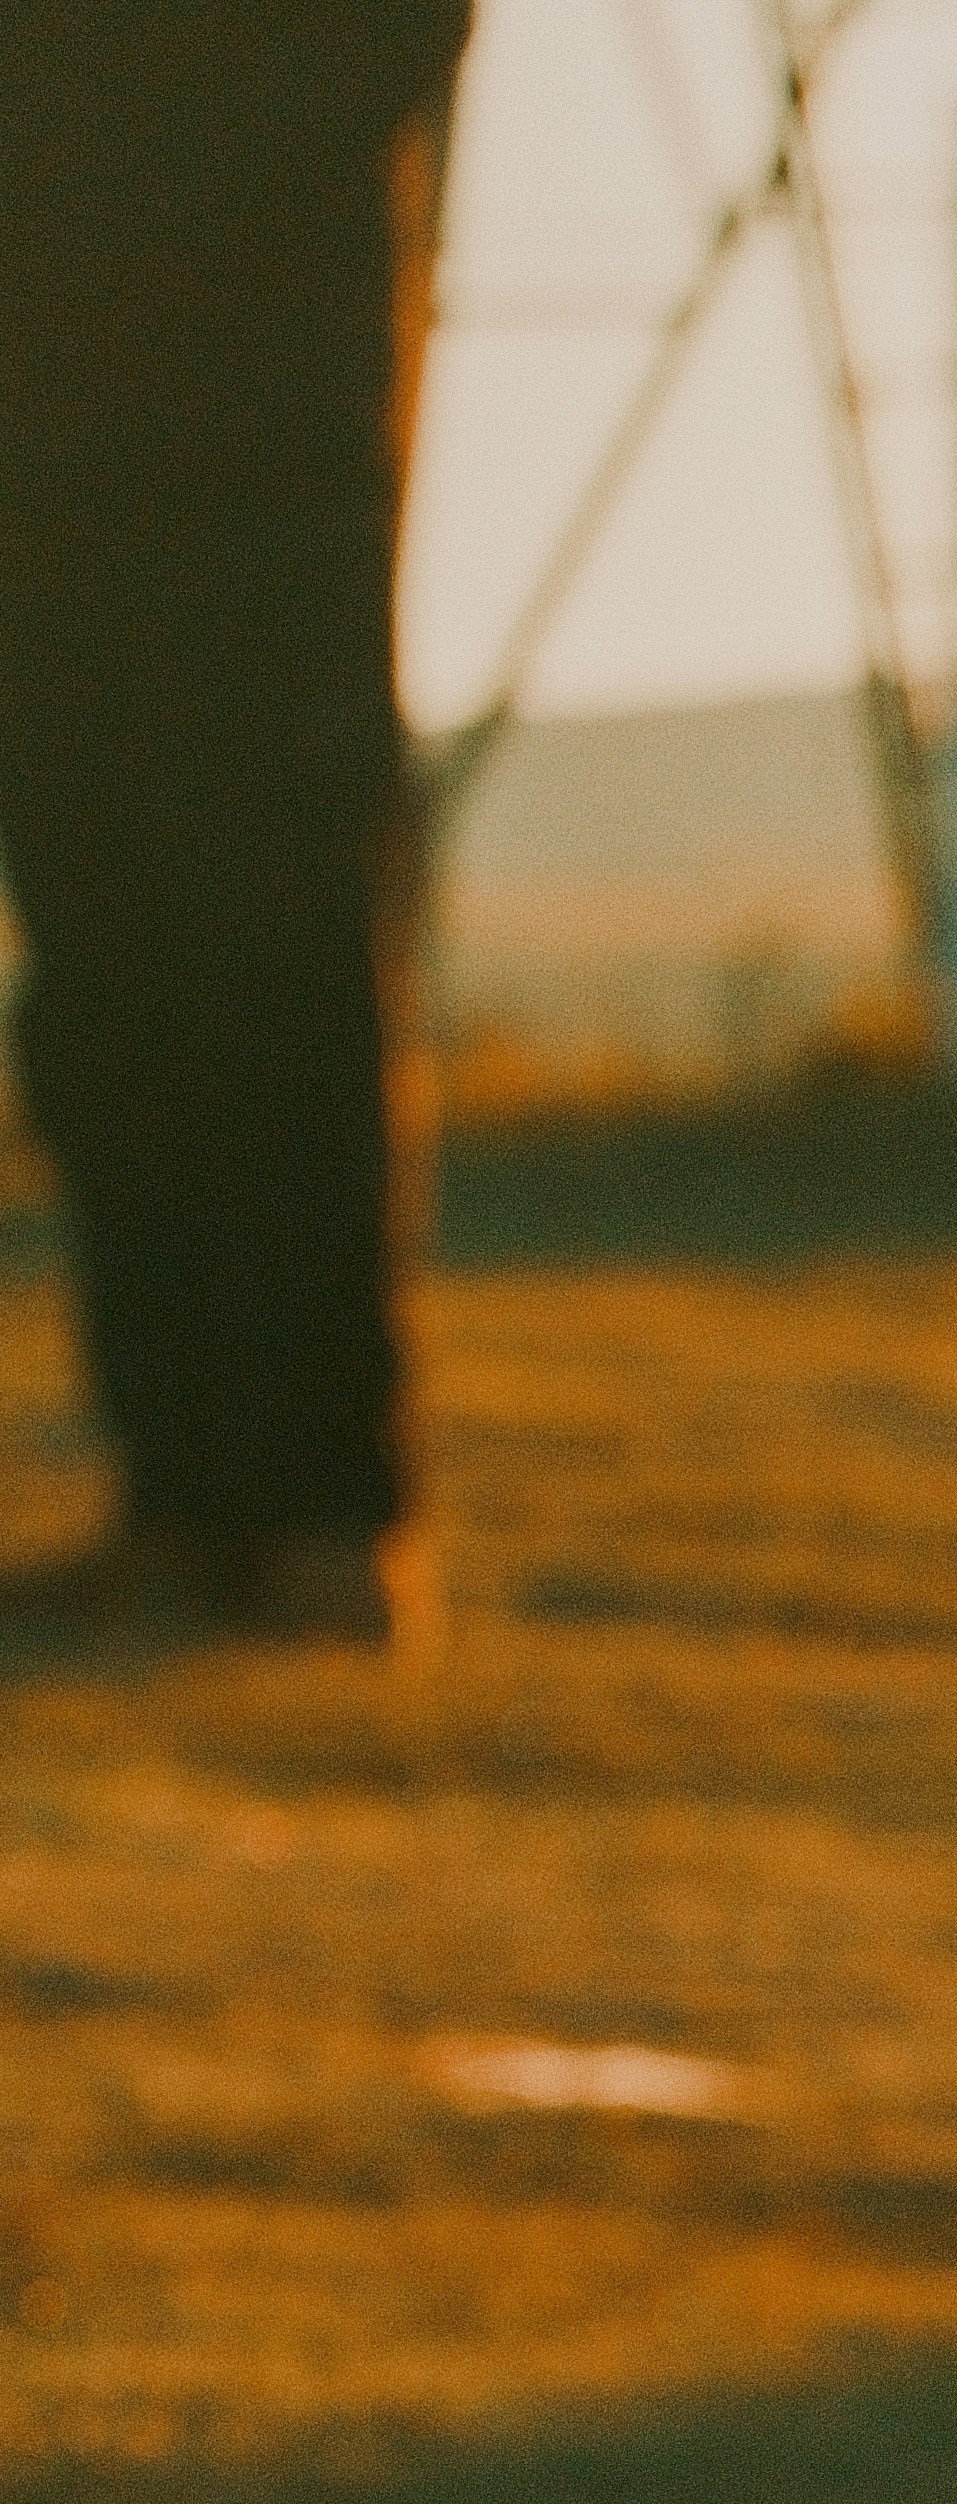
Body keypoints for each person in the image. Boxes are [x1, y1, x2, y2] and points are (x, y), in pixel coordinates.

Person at [0, 0, 479, 1647]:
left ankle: (330, 1513)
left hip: (258, 442)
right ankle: (185, 1495)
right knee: (109, 982)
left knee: (269, 954)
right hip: (58, 432)